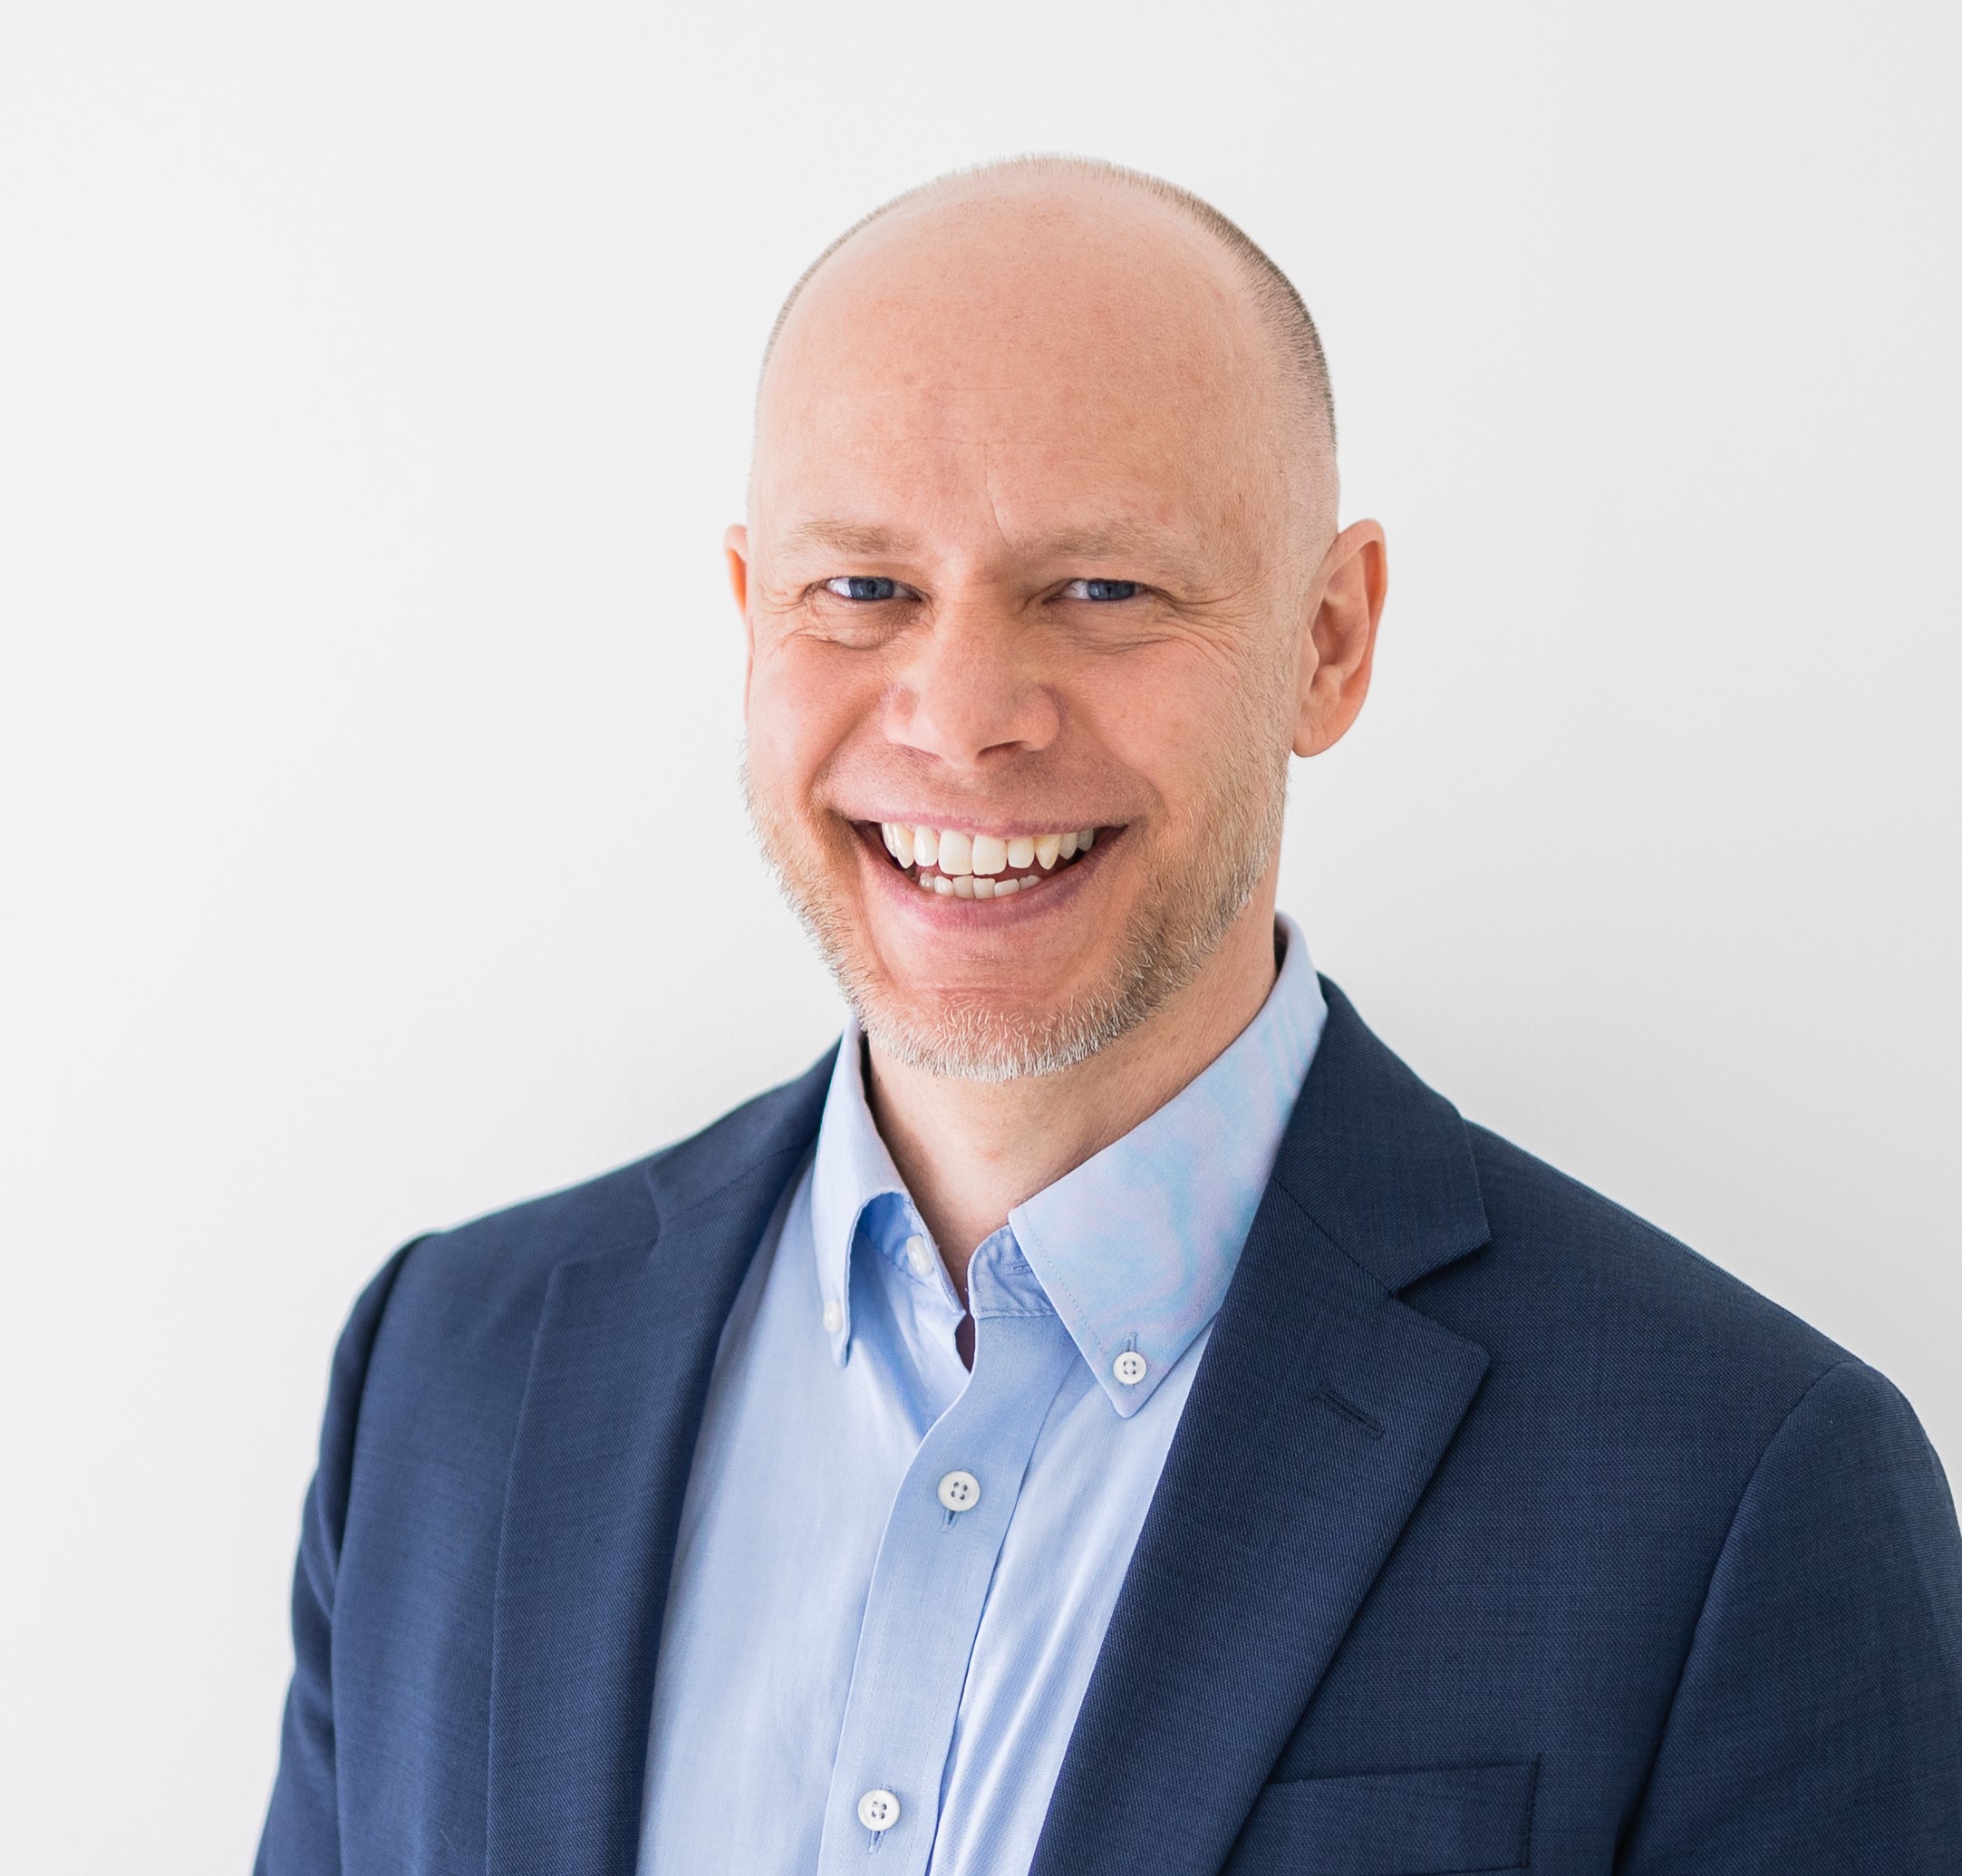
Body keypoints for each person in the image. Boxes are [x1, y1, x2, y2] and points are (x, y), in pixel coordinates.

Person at [256, 158, 1962, 1875]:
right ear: (748, 612)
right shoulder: (444, 1373)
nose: (961, 717)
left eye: (1100, 589)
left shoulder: (1741, 1488)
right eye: (861, 590)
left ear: (1328, 640)